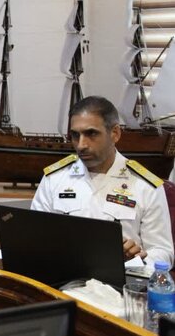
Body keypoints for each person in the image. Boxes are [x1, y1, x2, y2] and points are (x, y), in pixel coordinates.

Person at [31, 96, 173, 267]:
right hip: (64, 276)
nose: (81, 145)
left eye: (91, 133)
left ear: (115, 133)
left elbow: (163, 251)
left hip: (121, 279)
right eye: (75, 135)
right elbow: (35, 238)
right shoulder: (54, 179)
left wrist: (138, 261)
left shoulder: (145, 186)